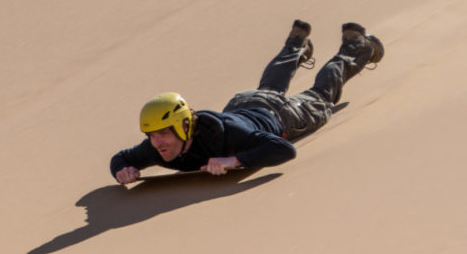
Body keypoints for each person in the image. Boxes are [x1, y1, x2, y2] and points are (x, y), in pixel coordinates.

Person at [110, 21, 384, 184]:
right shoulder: (156, 149)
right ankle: (295, 46)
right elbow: (120, 158)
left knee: (322, 97)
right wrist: (123, 171)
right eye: (152, 135)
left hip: (279, 115)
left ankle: (356, 48)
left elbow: (283, 150)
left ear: (183, 126)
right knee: (268, 89)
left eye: (164, 133)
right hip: (243, 103)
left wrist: (233, 160)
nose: (158, 142)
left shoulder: (229, 135)